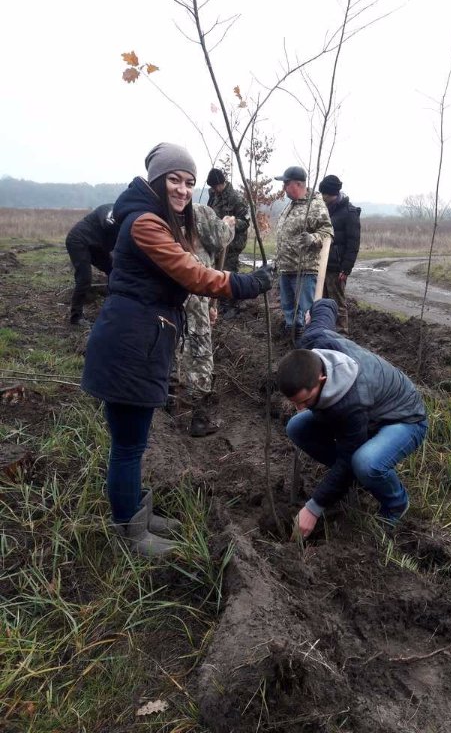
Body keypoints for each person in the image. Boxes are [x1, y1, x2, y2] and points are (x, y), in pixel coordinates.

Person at [82, 143, 273, 557]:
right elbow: (194, 275)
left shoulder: (158, 220)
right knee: (128, 446)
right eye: (174, 179)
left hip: (139, 340)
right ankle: (129, 534)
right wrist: (249, 283)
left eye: (189, 182)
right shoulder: (145, 224)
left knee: (133, 442)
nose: (184, 189)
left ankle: (136, 511)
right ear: (156, 180)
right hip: (129, 346)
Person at [276, 298, 427, 540]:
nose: (299, 407)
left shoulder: (351, 403)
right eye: (294, 401)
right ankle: (353, 481)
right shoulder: (313, 341)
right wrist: (313, 311)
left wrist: (313, 509)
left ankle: (396, 503)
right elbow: (326, 305)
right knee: (297, 427)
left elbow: (348, 458)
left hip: (404, 419)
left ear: (322, 380)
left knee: (363, 462)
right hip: (372, 411)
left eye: (304, 400)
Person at [174, 203, 234, 436]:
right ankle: (199, 418)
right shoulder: (198, 210)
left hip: (169, 294)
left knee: (174, 345)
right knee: (200, 351)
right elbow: (219, 239)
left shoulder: (154, 211)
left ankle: (169, 406)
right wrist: (228, 227)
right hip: (194, 291)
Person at [274, 166, 333, 338]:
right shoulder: (291, 205)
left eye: (286, 183)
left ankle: (309, 339)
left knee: (307, 309)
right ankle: (292, 333)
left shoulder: (315, 205)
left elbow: (328, 232)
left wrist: (313, 238)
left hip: (304, 269)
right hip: (286, 267)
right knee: (288, 307)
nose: (283, 187)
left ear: (298, 184)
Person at [318, 175, 361, 335]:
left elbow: (353, 243)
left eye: (325, 194)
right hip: (321, 264)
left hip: (337, 267)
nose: (322, 197)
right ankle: (325, 331)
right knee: (321, 301)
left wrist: (346, 268)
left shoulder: (349, 212)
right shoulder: (324, 210)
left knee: (337, 303)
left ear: (332, 193)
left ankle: (341, 334)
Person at [65, 203, 119, 326]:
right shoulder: (110, 209)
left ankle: (112, 307)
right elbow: (108, 222)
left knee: (114, 271)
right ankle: (76, 317)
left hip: (96, 246)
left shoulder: (131, 221)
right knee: (84, 279)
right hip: (78, 240)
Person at [207, 167, 250, 319]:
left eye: (215, 186)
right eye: (212, 187)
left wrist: (233, 222)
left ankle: (234, 305)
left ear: (222, 182)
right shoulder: (213, 195)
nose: (214, 189)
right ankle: (219, 303)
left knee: (229, 272)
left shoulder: (236, 198)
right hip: (217, 242)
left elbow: (245, 222)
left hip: (232, 243)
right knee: (217, 272)